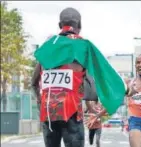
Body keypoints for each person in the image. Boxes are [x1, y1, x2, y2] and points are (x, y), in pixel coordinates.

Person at [31, 7, 98, 147]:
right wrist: (92, 107)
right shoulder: (82, 46)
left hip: (49, 111)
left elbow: (34, 82)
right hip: (72, 111)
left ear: (59, 25)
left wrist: (40, 101)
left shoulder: (47, 48)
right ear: (79, 25)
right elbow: (92, 81)